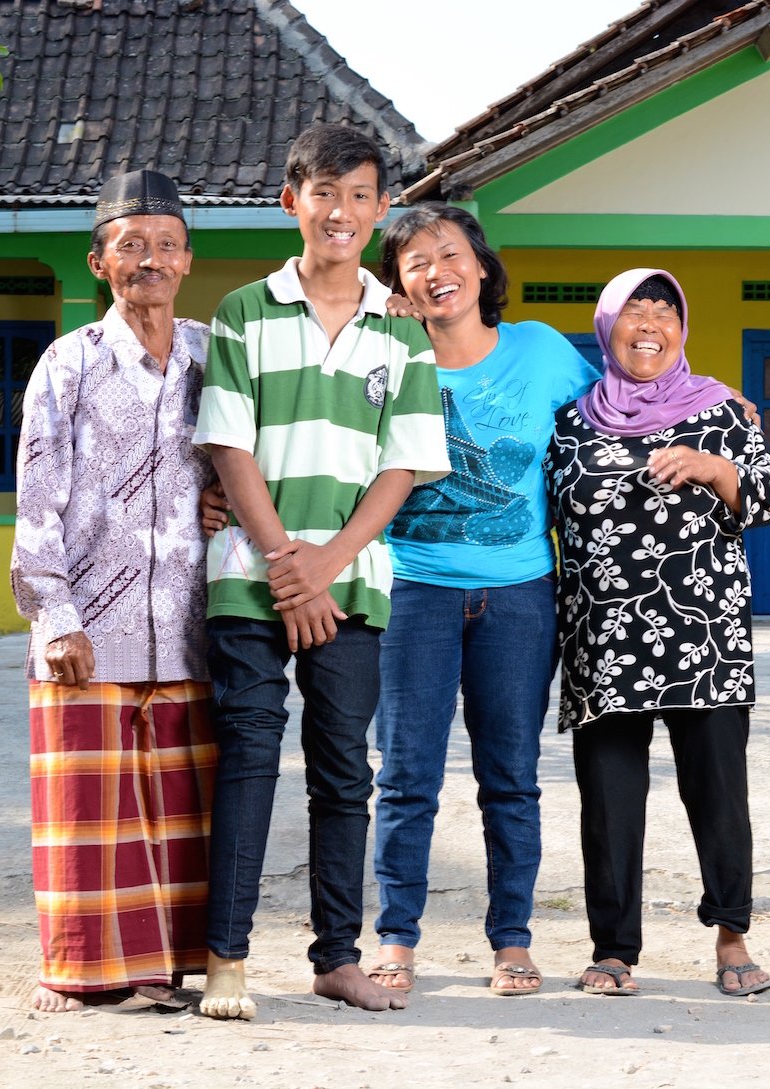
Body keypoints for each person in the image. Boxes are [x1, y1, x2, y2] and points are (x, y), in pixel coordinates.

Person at [192, 124, 450, 1020]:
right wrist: (282, 566)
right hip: (246, 575)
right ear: (290, 201)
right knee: (249, 758)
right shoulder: (241, 313)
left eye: (358, 196)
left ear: (379, 210)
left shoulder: (400, 333)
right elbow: (228, 446)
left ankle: (337, 957)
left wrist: (324, 567)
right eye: (323, 193)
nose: (339, 211)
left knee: (344, 770)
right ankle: (226, 958)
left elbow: (402, 466)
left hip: (354, 582)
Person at [365, 204, 601, 997]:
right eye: (415, 262)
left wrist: (712, 413)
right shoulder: (382, 354)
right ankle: (396, 938)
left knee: (512, 776)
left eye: (450, 253)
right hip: (414, 591)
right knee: (405, 775)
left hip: (519, 595)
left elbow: (624, 409)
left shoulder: (538, 350)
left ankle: (512, 940)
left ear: (481, 265)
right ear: (396, 282)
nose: (437, 271)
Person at [544, 268, 770, 998]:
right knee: (609, 800)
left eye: (664, 310)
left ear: (681, 329)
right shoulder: (571, 419)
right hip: (604, 639)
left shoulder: (718, 410)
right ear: (607, 325)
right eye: (634, 309)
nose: (649, 322)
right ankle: (613, 948)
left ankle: (731, 935)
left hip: (703, 639)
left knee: (717, 793)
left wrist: (717, 467)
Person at [11, 169, 217, 1014]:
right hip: (88, 620)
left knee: (177, 805)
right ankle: (81, 968)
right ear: (100, 262)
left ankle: (162, 966)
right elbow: (35, 495)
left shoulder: (213, 354)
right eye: (131, 246)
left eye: (166, 246)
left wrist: (228, 501)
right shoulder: (69, 363)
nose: (150, 261)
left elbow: (249, 459)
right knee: (88, 811)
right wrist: (54, 614)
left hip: (188, 617)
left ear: (187, 260)